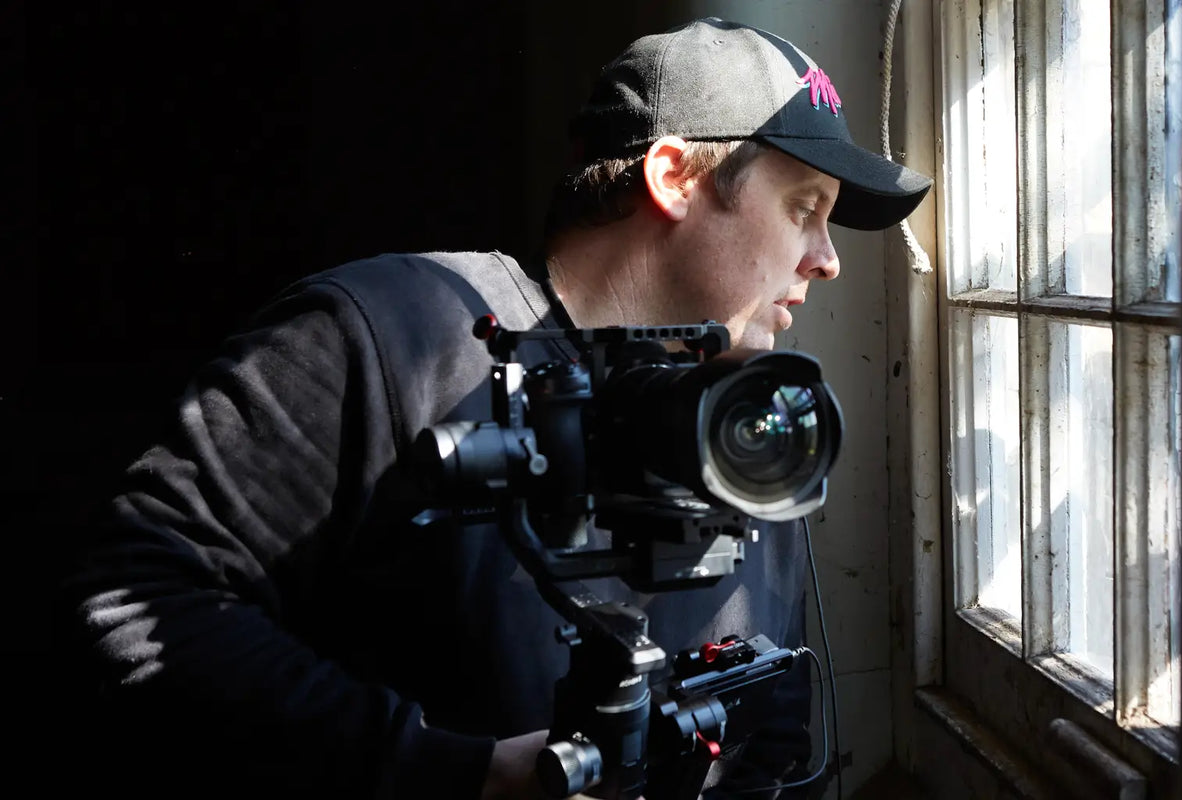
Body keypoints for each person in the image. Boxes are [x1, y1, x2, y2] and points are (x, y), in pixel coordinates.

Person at [55, 16, 930, 800]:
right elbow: (135, 599)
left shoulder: (751, 423)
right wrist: (457, 774)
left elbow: (771, 718)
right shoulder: (387, 333)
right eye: (804, 208)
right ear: (674, 177)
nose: (827, 259)